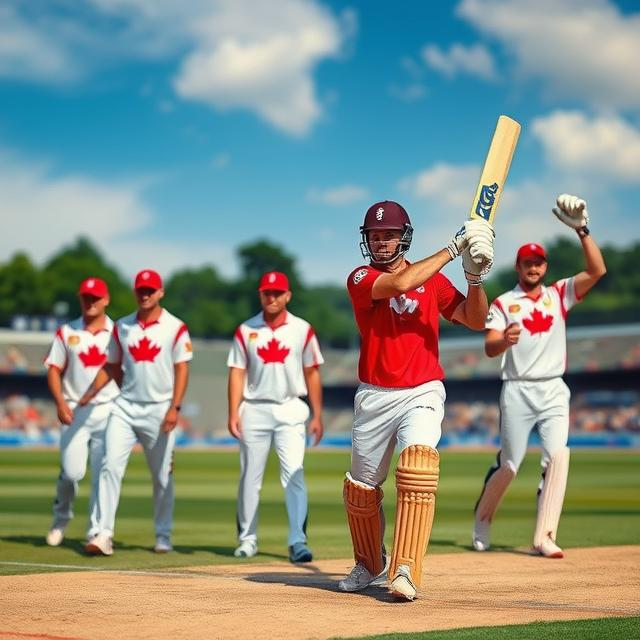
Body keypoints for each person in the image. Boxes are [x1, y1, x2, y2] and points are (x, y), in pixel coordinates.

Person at [339, 200, 494, 601]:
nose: (381, 241)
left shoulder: (436, 281)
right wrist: (453, 248)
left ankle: (406, 568)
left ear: (403, 236)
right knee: (361, 490)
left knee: (417, 467)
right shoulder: (360, 277)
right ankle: (370, 563)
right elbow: (400, 285)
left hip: (422, 389)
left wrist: (474, 278)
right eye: (375, 236)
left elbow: (476, 320)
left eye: (388, 234)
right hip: (374, 394)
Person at [472, 194, 606, 558]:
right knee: (510, 464)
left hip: (552, 389)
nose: (533, 268)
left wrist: (582, 230)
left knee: (558, 456)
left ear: (545, 267)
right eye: (527, 262)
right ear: (518, 267)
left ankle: (543, 536)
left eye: (539, 262)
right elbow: (489, 347)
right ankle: (482, 518)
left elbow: (597, 271)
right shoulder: (503, 302)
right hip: (517, 390)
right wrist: (505, 339)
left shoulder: (558, 294)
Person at [79, 269, 193, 556]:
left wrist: (174, 407)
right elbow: (113, 366)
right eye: (141, 290)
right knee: (109, 467)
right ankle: (103, 533)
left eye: (150, 290)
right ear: (135, 292)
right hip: (126, 407)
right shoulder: (122, 326)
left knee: (162, 477)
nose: (145, 294)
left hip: (161, 409)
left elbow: (182, 368)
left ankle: (163, 534)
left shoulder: (175, 327)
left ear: (160, 293)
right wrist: (91, 392)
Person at [227, 271, 324, 563]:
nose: (272, 298)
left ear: (287, 296)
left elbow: (312, 372)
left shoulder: (302, 329)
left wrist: (318, 414)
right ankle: (247, 539)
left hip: (291, 406)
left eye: (277, 293)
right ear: (260, 295)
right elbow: (237, 371)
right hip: (254, 407)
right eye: (267, 293)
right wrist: (233, 410)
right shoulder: (246, 330)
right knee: (249, 478)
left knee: (294, 473)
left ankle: (298, 541)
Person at [43, 277, 119, 546]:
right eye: (86, 297)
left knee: (103, 472)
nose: (90, 302)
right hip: (74, 410)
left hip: (109, 409)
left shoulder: (118, 331)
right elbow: (53, 369)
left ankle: (96, 530)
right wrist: (60, 402)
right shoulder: (67, 331)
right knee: (72, 472)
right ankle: (61, 517)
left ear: (106, 300)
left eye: (95, 297)